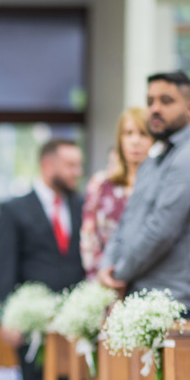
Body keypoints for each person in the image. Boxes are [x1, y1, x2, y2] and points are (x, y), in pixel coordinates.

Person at [0, 137, 85, 380]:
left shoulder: (82, 207)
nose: (77, 172)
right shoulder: (15, 210)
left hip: (74, 321)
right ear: (48, 165)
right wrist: (10, 314)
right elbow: (4, 268)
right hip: (32, 321)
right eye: (71, 165)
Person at [97, 70, 190, 320]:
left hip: (179, 301)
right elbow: (126, 223)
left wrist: (118, 274)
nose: (155, 109)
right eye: (150, 101)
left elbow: (161, 229)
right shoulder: (152, 160)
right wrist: (107, 267)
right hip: (142, 297)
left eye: (166, 101)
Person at [80, 107, 152, 274]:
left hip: (147, 276)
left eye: (143, 133)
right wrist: (101, 275)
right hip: (104, 275)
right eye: (128, 133)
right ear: (120, 139)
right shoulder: (100, 184)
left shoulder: (160, 185)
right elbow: (89, 238)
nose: (135, 141)